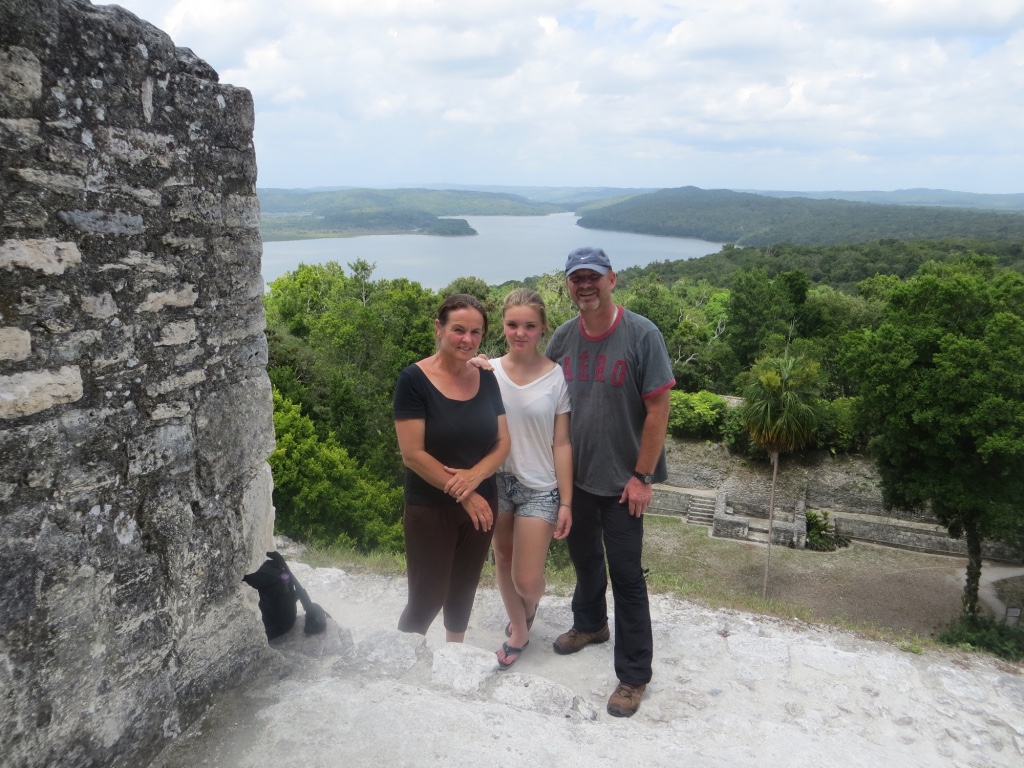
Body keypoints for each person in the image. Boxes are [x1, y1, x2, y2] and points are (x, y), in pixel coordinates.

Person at [545, 247, 675, 718]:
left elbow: (658, 409)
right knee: (582, 559)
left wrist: (642, 476)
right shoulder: (561, 339)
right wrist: (487, 367)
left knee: (626, 574)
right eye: (576, 278)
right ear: (568, 285)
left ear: (612, 280)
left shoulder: (642, 335)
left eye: (593, 277)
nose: (585, 285)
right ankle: (591, 624)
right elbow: (533, 384)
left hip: (625, 482)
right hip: (576, 478)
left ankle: (634, 675)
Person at [392, 294, 511, 641]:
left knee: (464, 587)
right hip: (431, 506)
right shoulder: (413, 380)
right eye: (458, 329)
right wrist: (466, 494)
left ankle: (453, 657)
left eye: (476, 332)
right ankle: (401, 660)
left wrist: (475, 480)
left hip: (483, 502)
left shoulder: (485, 376)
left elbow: (503, 443)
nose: (467, 339)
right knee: (427, 597)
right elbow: (412, 454)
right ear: (439, 328)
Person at [488, 288, 573, 670]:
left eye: (529, 326)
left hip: (540, 486)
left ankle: (530, 606)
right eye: (512, 324)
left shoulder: (556, 378)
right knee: (501, 559)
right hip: (497, 481)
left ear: (542, 329)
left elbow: (562, 442)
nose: (519, 333)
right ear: (503, 325)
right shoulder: (486, 371)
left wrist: (566, 501)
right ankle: (519, 631)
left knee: (526, 580)